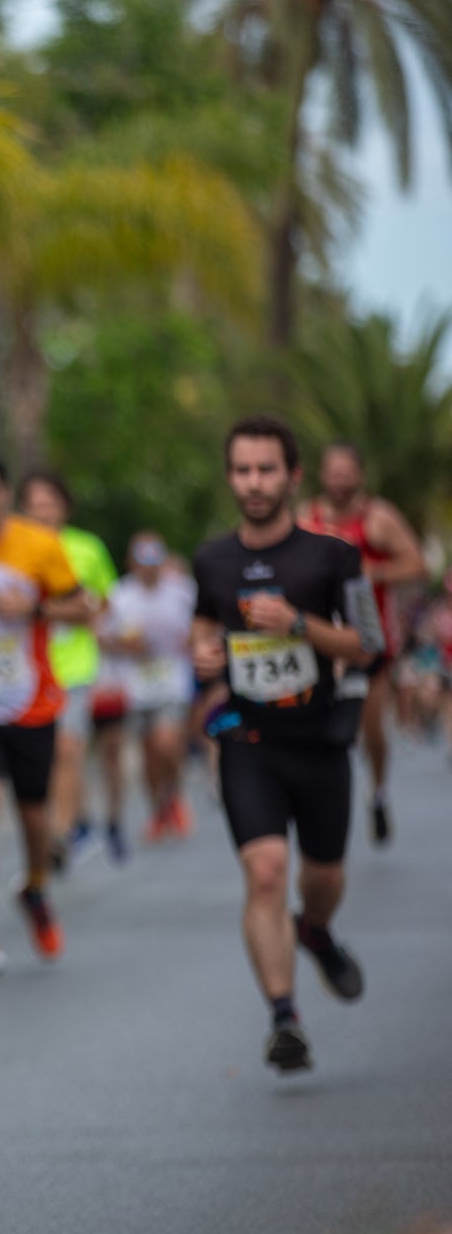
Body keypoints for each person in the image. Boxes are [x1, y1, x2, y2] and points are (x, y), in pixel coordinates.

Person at [193, 416, 371, 1073]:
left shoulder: (333, 556)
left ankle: (316, 929)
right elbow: (201, 628)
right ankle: (283, 1017)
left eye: (267, 469)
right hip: (249, 738)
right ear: (230, 476)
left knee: (322, 876)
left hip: (320, 738)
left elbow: (370, 642)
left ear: (292, 476)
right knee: (265, 871)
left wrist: (298, 623)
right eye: (243, 470)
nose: (254, 482)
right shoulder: (212, 558)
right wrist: (203, 652)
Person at [0, 453, 91, 973]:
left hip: (31, 702)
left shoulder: (39, 546)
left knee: (34, 819)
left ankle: (34, 888)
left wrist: (35, 609)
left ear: (5, 495)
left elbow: (84, 607)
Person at [298, 442, 425, 844]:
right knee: (323, 727)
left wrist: (376, 571)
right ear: (321, 475)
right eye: (332, 472)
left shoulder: (378, 517)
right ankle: (316, 807)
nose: (339, 480)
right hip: (322, 640)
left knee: (371, 728)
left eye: (346, 472)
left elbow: (418, 563)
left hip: (370, 638)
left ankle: (380, 791)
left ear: (360, 476)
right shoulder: (308, 518)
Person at [16, 472, 118, 870]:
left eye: (50, 504)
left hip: (74, 665)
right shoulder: (13, 548)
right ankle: (51, 824)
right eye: (35, 505)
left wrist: (84, 616)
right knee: (40, 755)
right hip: (26, 668)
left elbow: (106, 600)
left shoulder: (86, 548)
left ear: (64, 507)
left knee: (68, 748)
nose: (43, 512)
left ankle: (60, 834)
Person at [100, 534, 198, 849]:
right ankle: (159, 808)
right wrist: (124, 646)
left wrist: (192, 641)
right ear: (132, 565)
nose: (149, 571)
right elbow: (101, 637)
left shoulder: (182, 591)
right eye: (143, 565)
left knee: (168, 743)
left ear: (163, 563)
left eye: (154, 564)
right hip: (136, 687)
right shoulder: (121, 595)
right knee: (149, 754)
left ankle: (175, 796)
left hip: (173, 682)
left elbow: (202, 626)